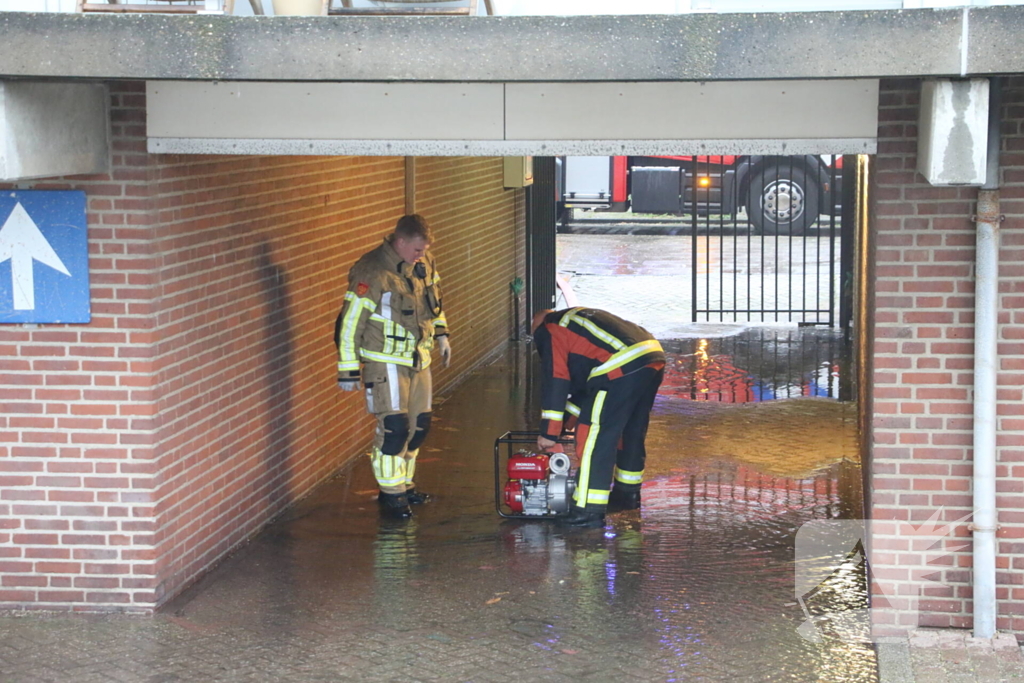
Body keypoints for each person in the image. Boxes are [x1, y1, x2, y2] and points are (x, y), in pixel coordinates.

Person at [334, 214, 451, 520]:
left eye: (423, 249)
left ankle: (405, 484)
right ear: (399, 242)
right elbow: (349, 322)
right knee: (394, 429)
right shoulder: (372, 271)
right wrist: (348, 368)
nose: (420, 255)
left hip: (417, 358)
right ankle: (392, 494)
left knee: (418, 426)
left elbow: (434, 303)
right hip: (384, 360)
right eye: (416, 249)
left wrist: (442, 335)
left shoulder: (424, 264)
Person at [531, 307, 664, 527]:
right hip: (651, 356)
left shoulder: (551, 328)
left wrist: (549, 433)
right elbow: (585, 389)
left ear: (539, 324)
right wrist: (565, 423)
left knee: (594, 434)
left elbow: (556, 379)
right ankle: (626, 495)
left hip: (619, 365)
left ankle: (587, 510)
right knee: (631, 429)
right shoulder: (577, 321)